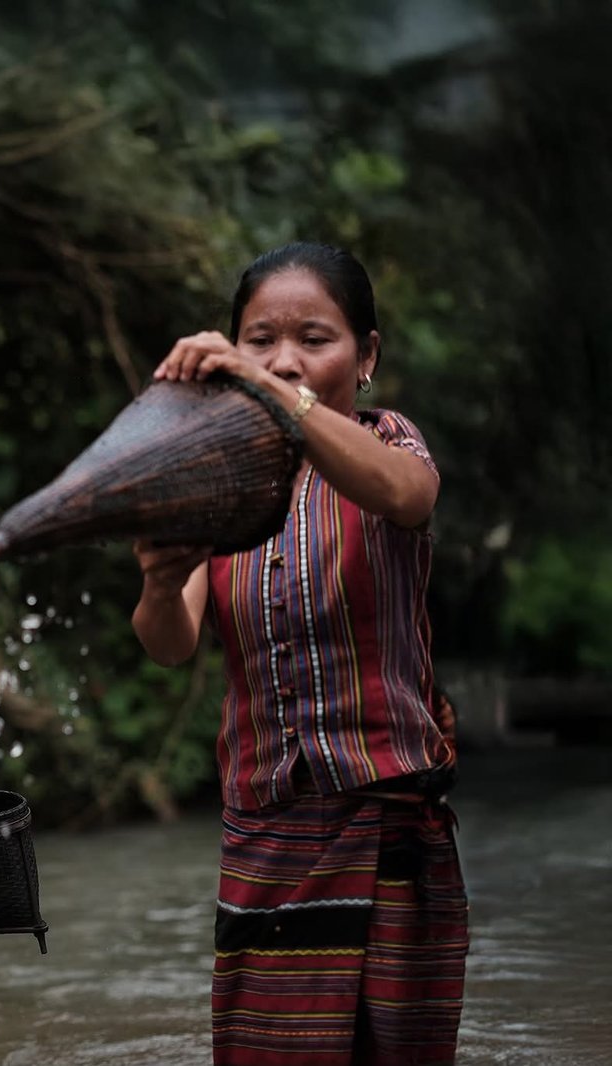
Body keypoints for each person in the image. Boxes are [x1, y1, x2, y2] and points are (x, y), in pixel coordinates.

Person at [131, 242, 468, 1065]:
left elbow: (407, 496)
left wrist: (274, 397)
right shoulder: (215, 478)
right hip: (267, 828)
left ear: (368, 355)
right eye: (261, 341)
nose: (286, 359)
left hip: (387, 815)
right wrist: (156, 581)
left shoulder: (389, 441)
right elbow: (170, 643)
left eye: (315, 338)